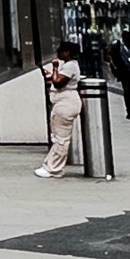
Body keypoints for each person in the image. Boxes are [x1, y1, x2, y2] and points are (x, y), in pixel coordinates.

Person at [36, 38, 85, 178]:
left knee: (61, 138)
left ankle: (54, 169)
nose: (58, 53)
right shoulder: (70, 65)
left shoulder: (70, 66)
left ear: (67, 52)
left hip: (66, 103)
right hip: (63, 103)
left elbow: (58, 83)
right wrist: (52, 75)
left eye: (60, 51)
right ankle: (50, 165)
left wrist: (55, 68)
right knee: (57, 137)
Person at [107, 33, 130, 120]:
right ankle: (129, 112)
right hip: (124, 71)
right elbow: (111, 57)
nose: (128, 38)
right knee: (127, 91)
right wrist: (115, 69)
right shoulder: (118, 45)